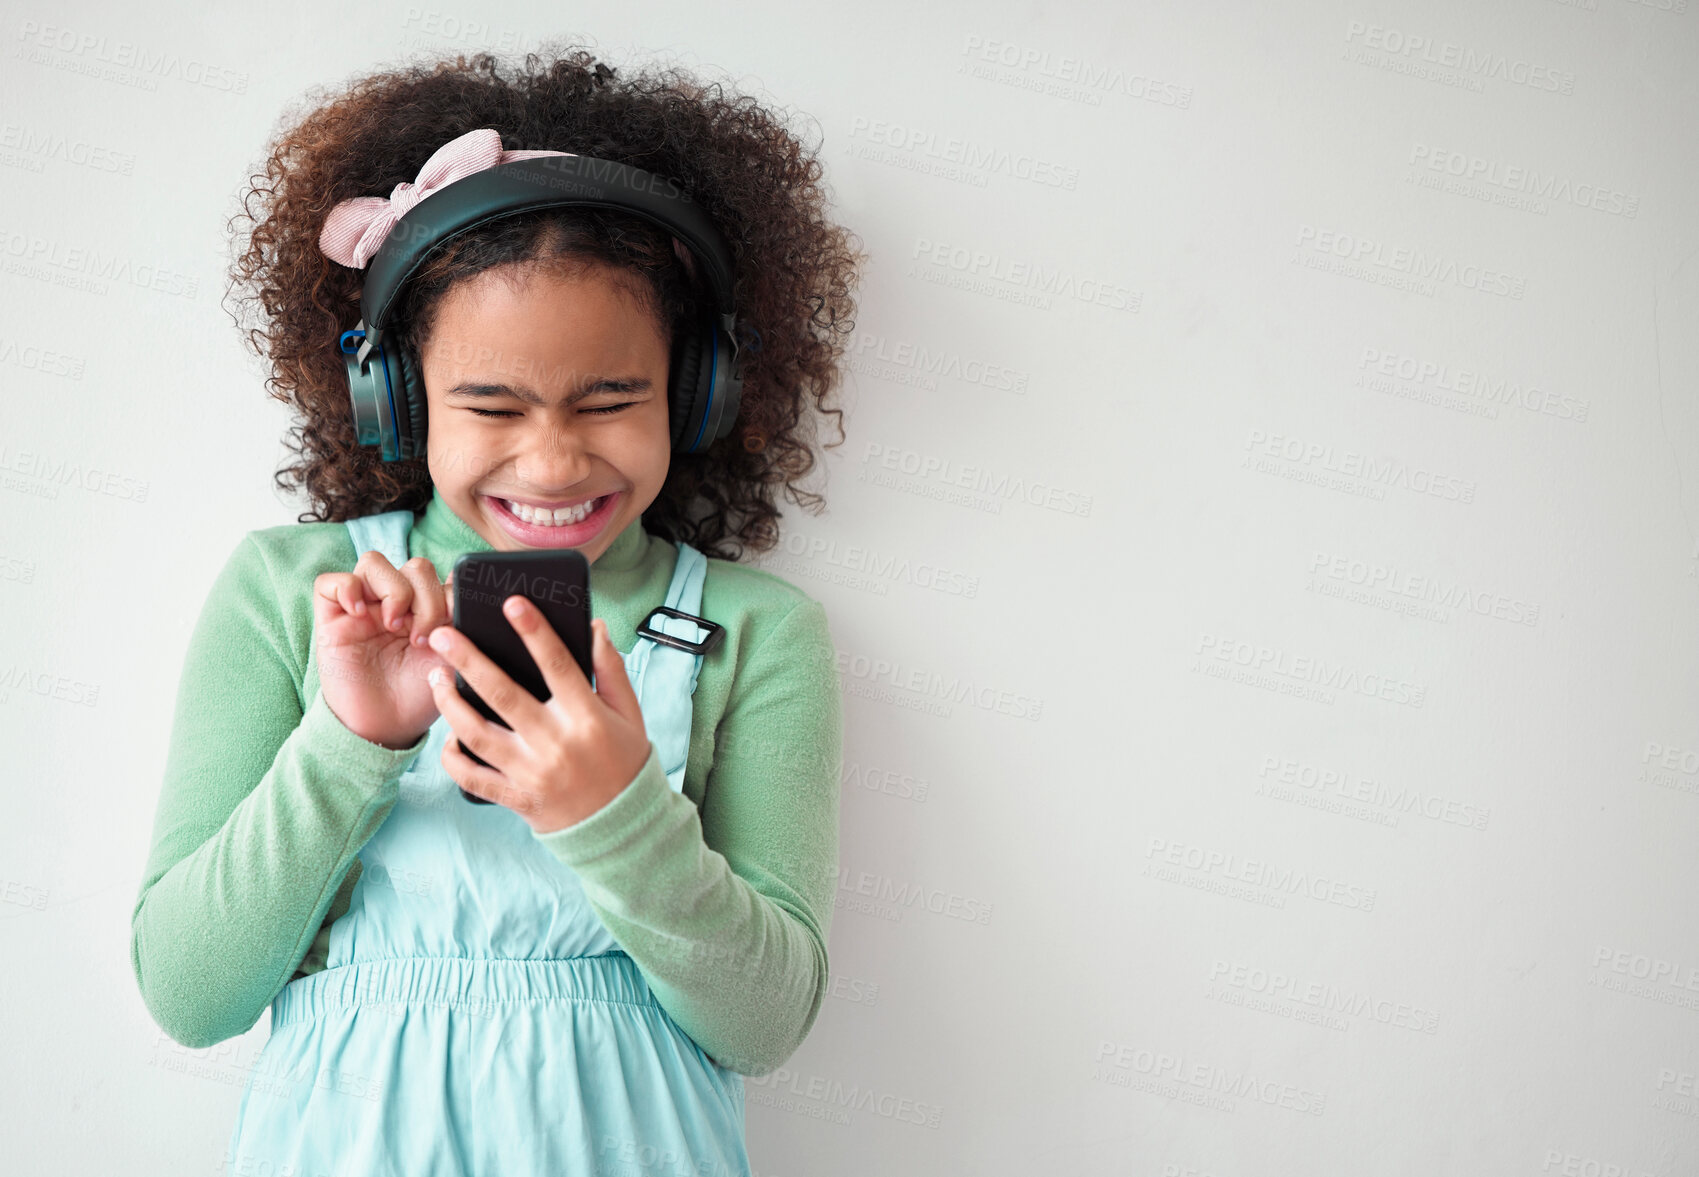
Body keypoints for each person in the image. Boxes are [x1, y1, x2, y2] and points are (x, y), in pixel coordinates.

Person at [129, 45, 865, 1174]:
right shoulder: (290, 593)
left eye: (613, 398)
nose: (556, 459)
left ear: (699, 386)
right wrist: (352, 743)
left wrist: (614, 811)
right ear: (395, 397)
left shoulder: (758, 632)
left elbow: (763, 1025)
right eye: (492, 404)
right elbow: (190, 993)